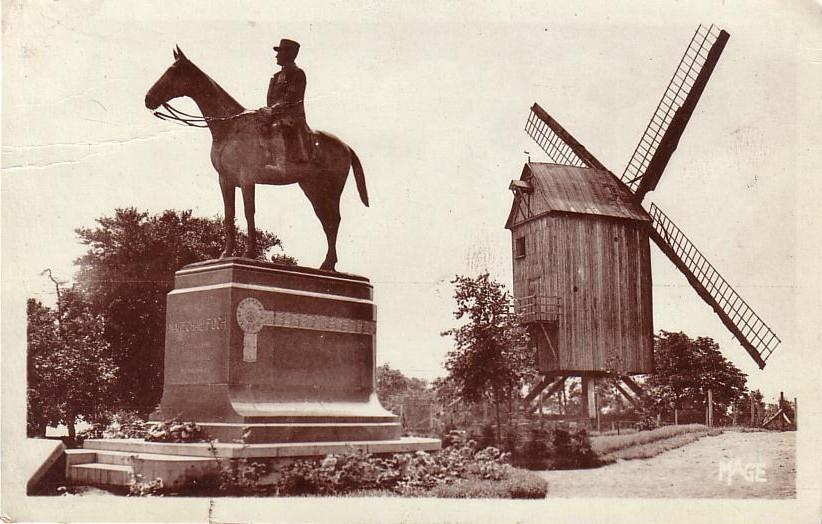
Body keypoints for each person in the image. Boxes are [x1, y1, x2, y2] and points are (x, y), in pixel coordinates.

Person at [265, 38, 310, 164]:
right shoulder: (275, 76)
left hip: (292, 117)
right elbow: (270, 99)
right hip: (275, 115)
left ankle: (281, 164)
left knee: (277, 128)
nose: (277, 55)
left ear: (289, 54)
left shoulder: (297, 73)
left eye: (280, 52)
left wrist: (273, 109)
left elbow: (291, 98)